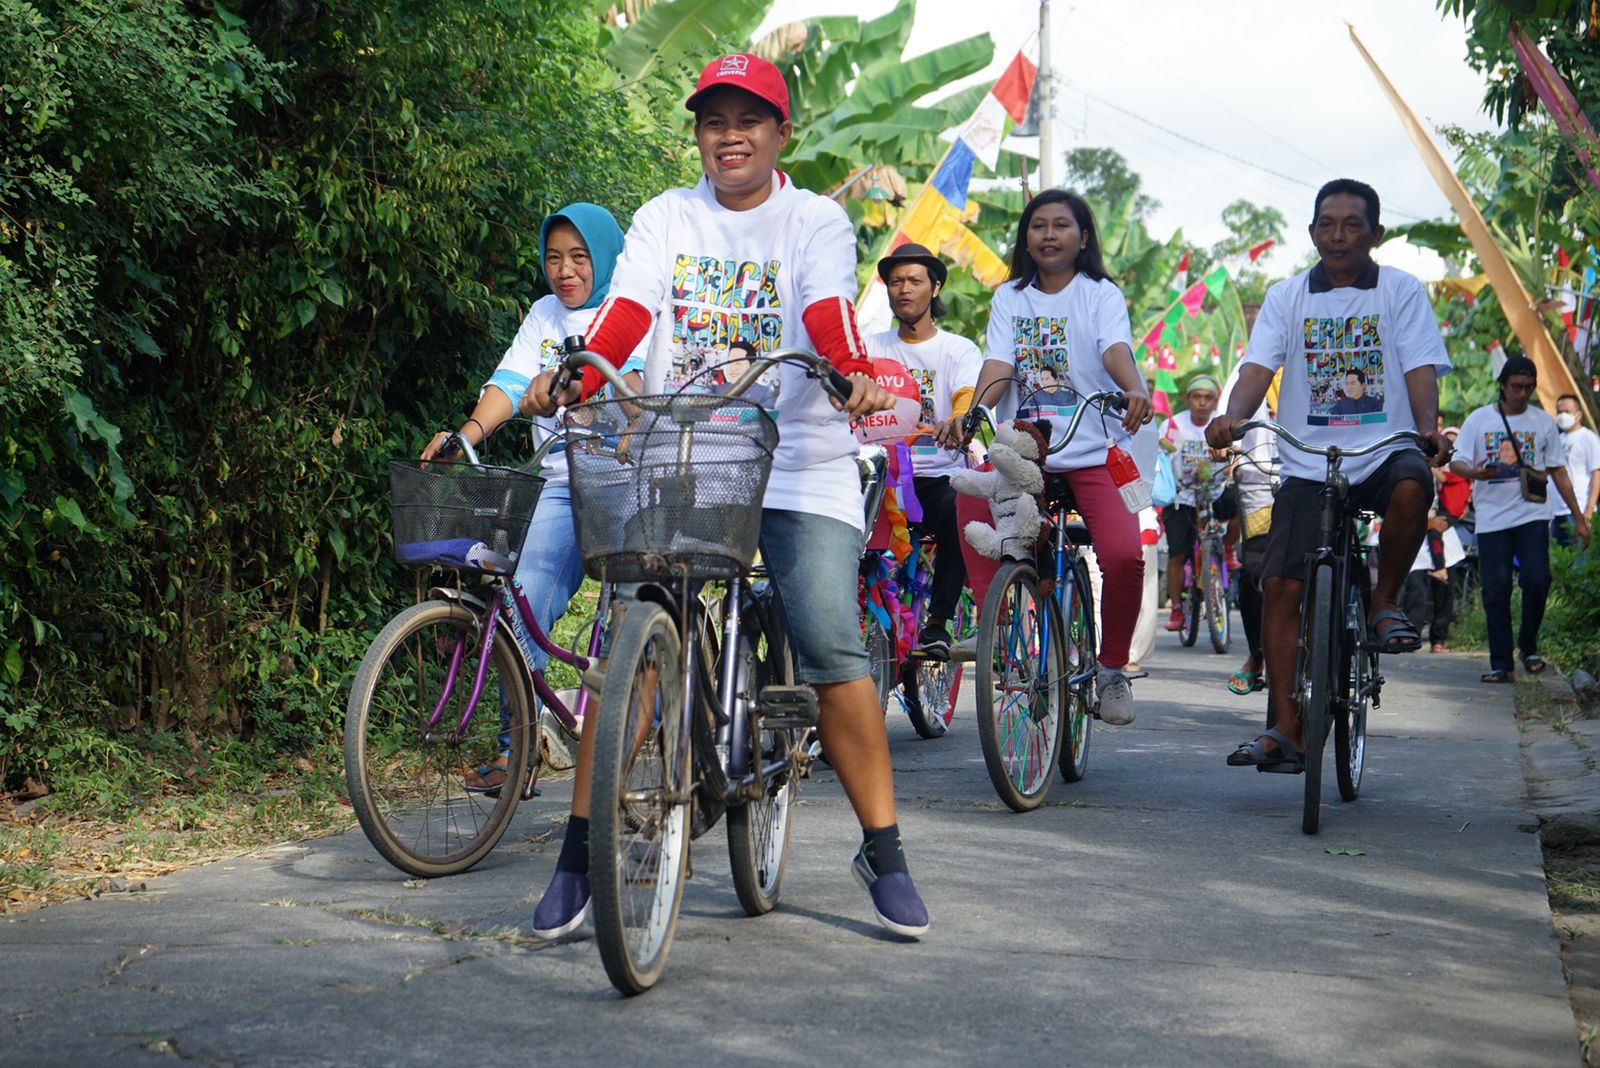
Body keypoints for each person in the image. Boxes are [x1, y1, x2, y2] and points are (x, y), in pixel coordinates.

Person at [523, 53, 928, 939]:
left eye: (749, 119)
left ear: (781, 134)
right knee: (633, 620)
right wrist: (580, 377)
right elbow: (627, 311)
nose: (730, 135)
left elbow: (826, 311)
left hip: (799, 455)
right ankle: (580, 853)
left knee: (826, 635)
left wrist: (848, 373)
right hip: (686, 448)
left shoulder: (814, 219)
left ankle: (884, 849)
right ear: (700, 134)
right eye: (714, 121)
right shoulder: (666, 216)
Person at [1206, 178, 1453, 771]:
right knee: (1280, 586)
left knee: (1414, 484)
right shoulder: (1288, 296)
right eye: (1326, 224)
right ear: (1313, 232)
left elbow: (1420, 369)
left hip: (1384, 448)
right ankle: (1287, 729)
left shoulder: (1399, 290)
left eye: (1351, 224)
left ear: (1375, 233)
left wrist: (1427, 426)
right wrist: (1231, 418)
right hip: (1308, 460)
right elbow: (1256, 369)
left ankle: (1384, 602)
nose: (1338, 235)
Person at [419, 204, 644, 792]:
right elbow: (510, 383)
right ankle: (517, 750)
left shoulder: (631, 307)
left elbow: (639, 385)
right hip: (560, 484)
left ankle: (625, 741)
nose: (564, 271)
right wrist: (462, 437)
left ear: (605, 258)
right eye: (553, 257)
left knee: (631, 617)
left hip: (627, 482)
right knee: (520, 602)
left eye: (578, 257)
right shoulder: (545, 314)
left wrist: (629, 425)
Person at [963, 189, 1154, 726]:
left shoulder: (1100, 294)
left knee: (1122, 556)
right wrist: (976, 411)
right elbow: (999, 364)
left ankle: (1112, 668)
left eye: (1061, 225)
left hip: (1093, 453)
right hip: (1026, 452)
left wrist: (1133, 387)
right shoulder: (1010, 298)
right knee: (966, 505)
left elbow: (1116, 348)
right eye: (1038, 225)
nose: (1049, 235)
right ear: (1026, 237)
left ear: (1083, 237)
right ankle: (998, 634)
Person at [864, 243, 981, 659]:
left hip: (936, 476)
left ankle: (938, 622)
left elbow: (968, 394)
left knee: (960, 508)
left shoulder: (957, 349)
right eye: (896, 282)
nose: (904, 290)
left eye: (915, 281)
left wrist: (960, 419)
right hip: (879, 477)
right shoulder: (869, 345)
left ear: (935, 288)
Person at [1451, 357, 1591, 682]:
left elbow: (1558, 470)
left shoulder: (1543, 422)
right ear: (1503, 385)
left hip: (1532, 515)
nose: (1522, 393)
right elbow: (1457, 462)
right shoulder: (1479, 420)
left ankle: (1528, 645)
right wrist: (1475, 472)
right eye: (1516, 386)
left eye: (1528, 387)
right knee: (1496, 590)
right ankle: (1502, 663)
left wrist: (1579, 517)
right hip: (1491, 519)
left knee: (1538, 579)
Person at [1159, 375, 1238, 631]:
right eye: (1197, 397)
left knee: (1241, 507)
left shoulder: (1224, 424)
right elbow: (1160, 456)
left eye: (1208, 398)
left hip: (1215, 491)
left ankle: (1226, 548)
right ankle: (1177, 609)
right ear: (1187, 400)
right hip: (1182, 496)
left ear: (1215, 400)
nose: (1202, 403)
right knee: (1177, 554)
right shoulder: (1172, 425)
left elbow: (1238, 451)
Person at [1551, 394, 1600, 547]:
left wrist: (1589, 510)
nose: (1562, 416)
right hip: (1557, 512)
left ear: (1579, 414)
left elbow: (1596, 474)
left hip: (1580, 510)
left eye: (1567, 411)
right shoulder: (1556, 440)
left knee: (1580, 562)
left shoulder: (1588, 438)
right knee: (1562, 564)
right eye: (1559, 412)